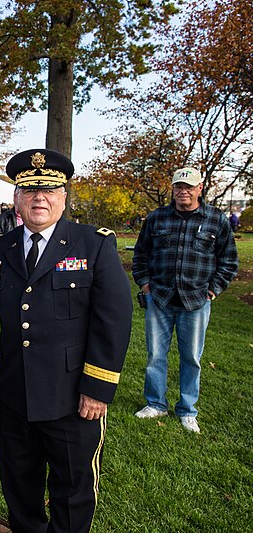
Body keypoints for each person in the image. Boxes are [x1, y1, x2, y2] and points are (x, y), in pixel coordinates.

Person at [0, 149, 132, 533]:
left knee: (72, 489)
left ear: (64, 196)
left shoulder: (93, 245)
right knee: (19, 485)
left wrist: (98, 388)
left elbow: (113, 320)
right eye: (30, 189)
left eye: (50, 189)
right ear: (16, 198)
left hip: (73, 399)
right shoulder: (0, 250)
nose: (40, 197)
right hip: (16, 394)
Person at [132, 167, 238, 434]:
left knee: (191, 357)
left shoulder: (216, 220)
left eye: (189, 187)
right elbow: (141, 254)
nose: (184, 191)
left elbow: (229, 261)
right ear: (173, 188)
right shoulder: (157, 218)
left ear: (200, 188)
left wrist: (213, 290)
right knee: (156, 354)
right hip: (160, 297)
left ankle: (187, 410)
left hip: (196, 300)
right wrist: (145, 284)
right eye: (179, 186)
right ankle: (156, 403)